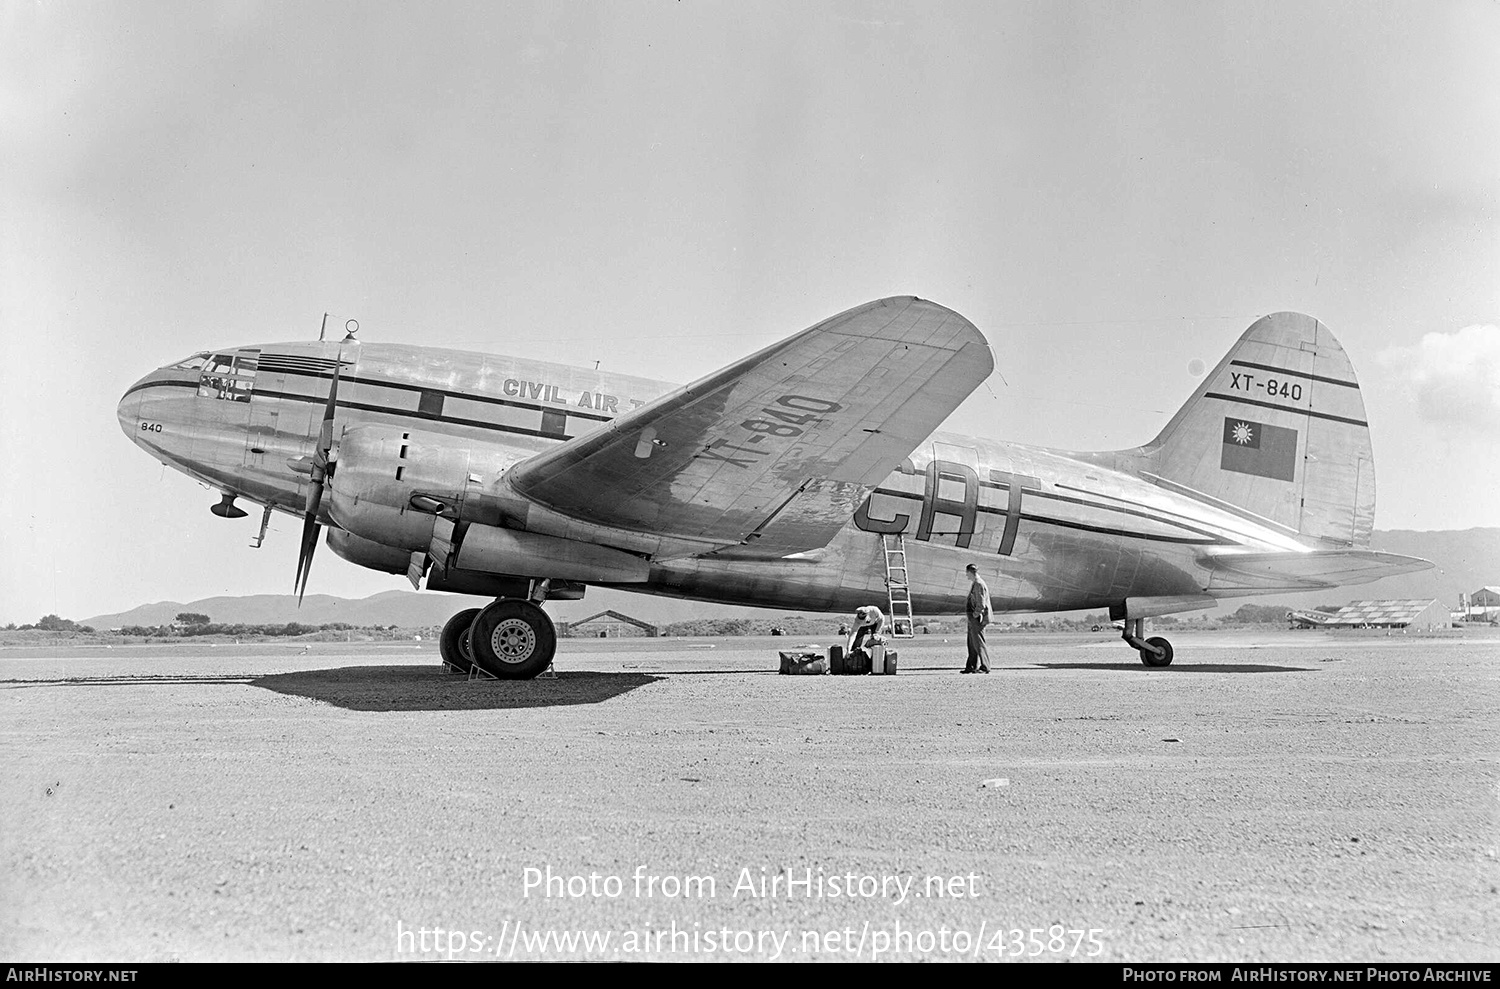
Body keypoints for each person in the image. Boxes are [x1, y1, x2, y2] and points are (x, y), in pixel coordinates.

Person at [963, 563, 991, 673]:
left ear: (970, 572)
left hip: (976, 618)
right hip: (973, 617)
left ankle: (985, 666)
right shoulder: (976, 583)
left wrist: (975, 614)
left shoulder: (979, 584)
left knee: (979, 642)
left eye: (967, 573)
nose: (966, 575)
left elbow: (981, 603)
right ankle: (971, 666)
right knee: (971, 643)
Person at [846, 605, 885, 669]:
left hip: (875, 623)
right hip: (862, 627)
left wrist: (877, 633)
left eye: (863, 618)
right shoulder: (857, 621)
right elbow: (852, 634)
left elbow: (882, 619)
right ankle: (854, 662)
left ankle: (877, 663)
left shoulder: (874, 610)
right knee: (856, 643)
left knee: (876, 641)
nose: (861, 619)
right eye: (860, 617)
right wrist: (848, 649)